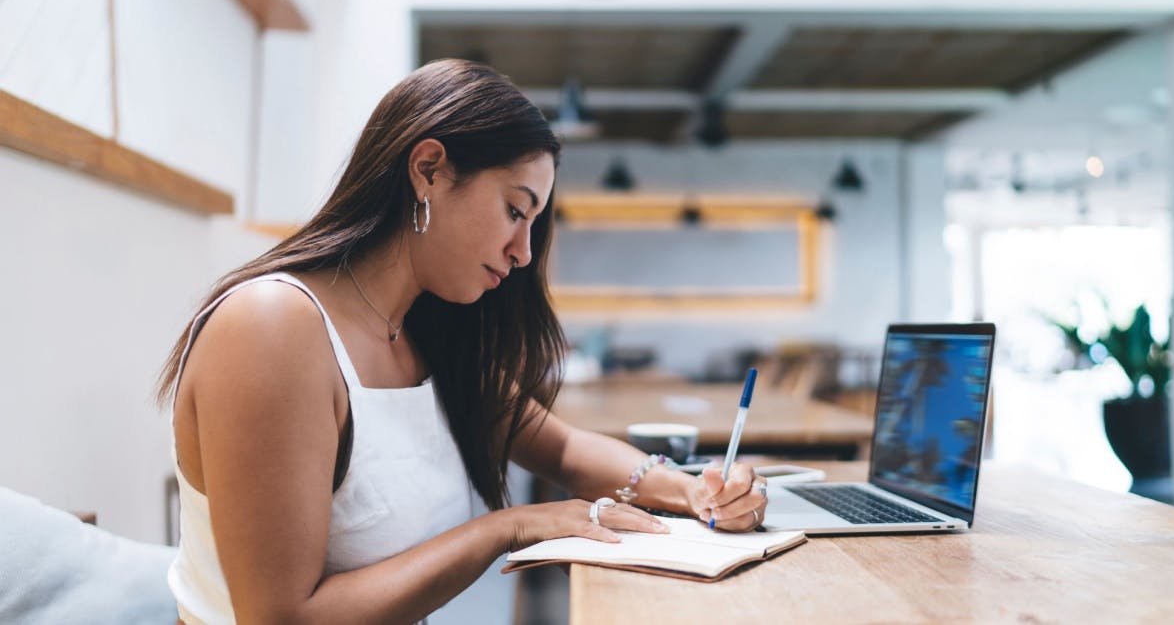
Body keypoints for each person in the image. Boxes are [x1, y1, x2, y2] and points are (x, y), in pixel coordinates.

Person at [158, 59, 767, 624]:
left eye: (533, 224)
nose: (523, 253)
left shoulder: (420, 329)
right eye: (515, 211)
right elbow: (281, 618)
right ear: (429, 170)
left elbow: (562, 451)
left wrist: (694, 492)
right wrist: (508, 528)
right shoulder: (272, 327)